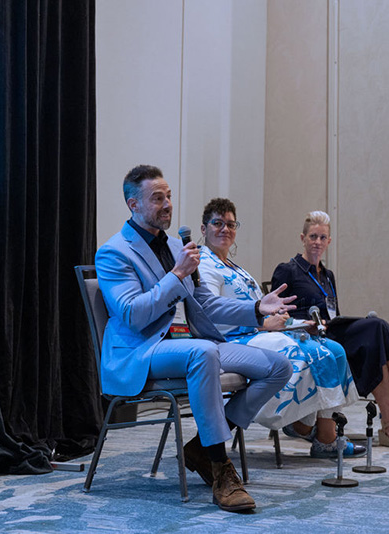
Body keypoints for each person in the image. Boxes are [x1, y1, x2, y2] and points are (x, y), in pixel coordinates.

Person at [95, 165, 294, 512]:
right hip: (141, 351)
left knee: (278, 366)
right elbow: (133, 314)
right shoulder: (114, 253)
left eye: (169, 196)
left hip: (190, 344)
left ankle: (202, 446)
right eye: (157, 199)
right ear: (133, 204)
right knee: (203, 353)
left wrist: (257, 307)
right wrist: (176, 275)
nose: (167, 204)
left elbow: (204, 304)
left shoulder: (175, 245)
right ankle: (220, 467)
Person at [271, 211, 389, 449]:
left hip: (329, 333)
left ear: (329, 242)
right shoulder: (288, 270)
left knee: (376, 338)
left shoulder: (327, 276)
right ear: (303, 238)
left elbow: (333, 313)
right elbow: (276, 315)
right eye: (313, 236)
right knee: (376, 329)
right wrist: (300, 323)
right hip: (305, 338)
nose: (317, 242)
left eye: (322, 237)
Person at [196, 198, 364, 459]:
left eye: (230, 224)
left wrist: (285, 320)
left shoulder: (235, 267)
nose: (225, 229)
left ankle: (316, 432)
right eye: (218, 223)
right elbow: (211, 312)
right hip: (231, 339)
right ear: (204, 229)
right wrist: (262, 323)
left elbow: (260, 307)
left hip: (256, 331)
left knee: (335, 350)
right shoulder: (205, 264)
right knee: (309, 352)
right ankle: (304, 426)